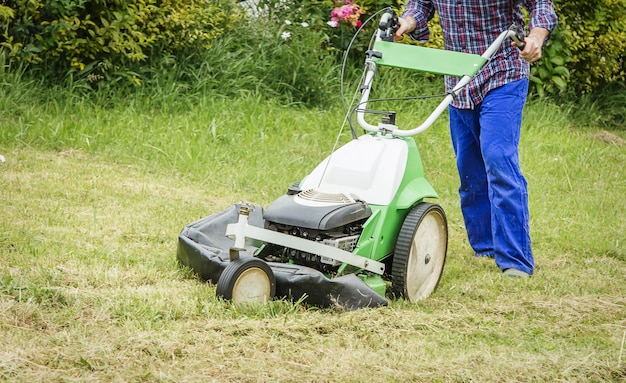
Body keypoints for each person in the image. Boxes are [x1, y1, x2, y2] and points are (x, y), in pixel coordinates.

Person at [395, 1, 558, 277]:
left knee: (498, 158)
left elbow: (541, 4)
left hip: (504, 71)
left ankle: (515, 260)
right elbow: (421, 5)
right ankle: (485, 248)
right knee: (469, 167)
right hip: (460, 79)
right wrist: (406, 23)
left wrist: (536, 36)